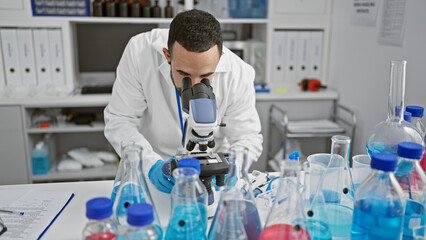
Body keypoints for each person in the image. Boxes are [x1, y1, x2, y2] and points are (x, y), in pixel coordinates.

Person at [104, 9, 263, 193]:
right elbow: (120, 120)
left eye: (205, 76)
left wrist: (234, 166)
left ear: (219, 58)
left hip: (214, 173)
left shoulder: (238, 74)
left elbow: (247, 137)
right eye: (184, 74)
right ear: (167, 55)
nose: (194, 85)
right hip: (156, 167)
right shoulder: (140, 53)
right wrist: (150, 165)